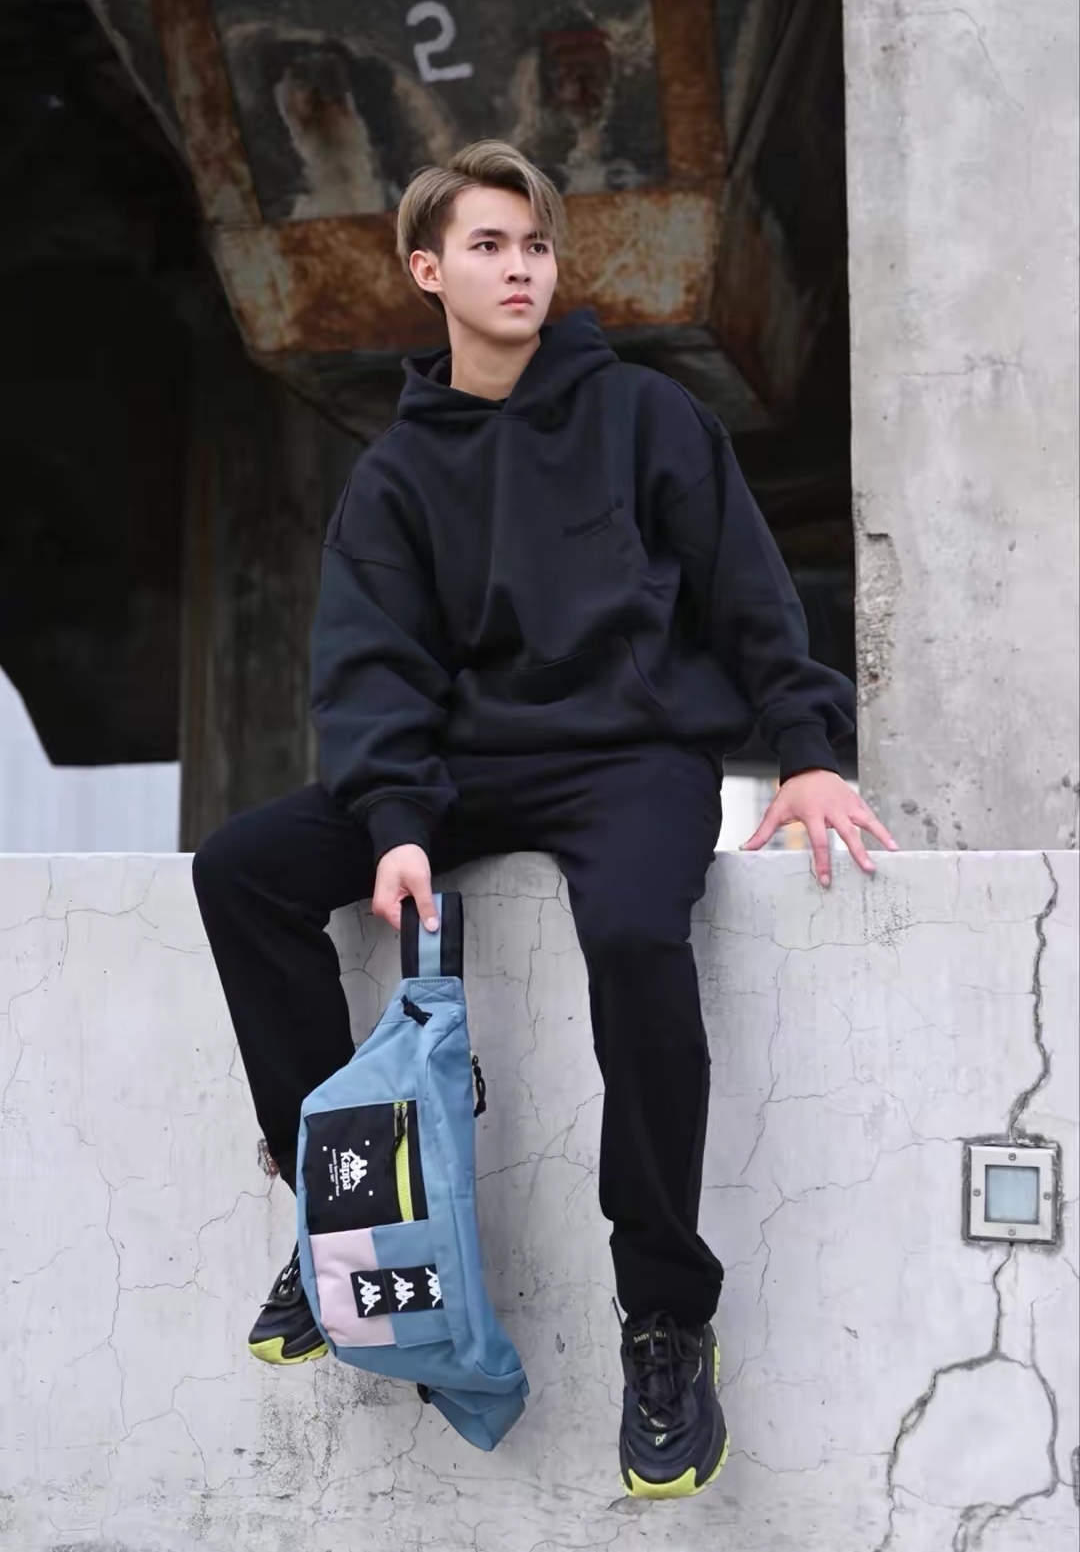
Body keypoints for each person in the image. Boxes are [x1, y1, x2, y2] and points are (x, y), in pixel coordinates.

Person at [192, 138, 897, 1500]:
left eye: (536, 246)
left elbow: (748, 591)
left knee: (633, 935)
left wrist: (809, 752)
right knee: (244, 869)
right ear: (427, 270)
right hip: (466, 770)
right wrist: (397, 818)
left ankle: (665, 1319)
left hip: (632, 760)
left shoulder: (644, 415)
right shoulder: (396, 475)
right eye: (490, 246)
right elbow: (371, 667)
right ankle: (340, 1204)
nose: (522, 268)